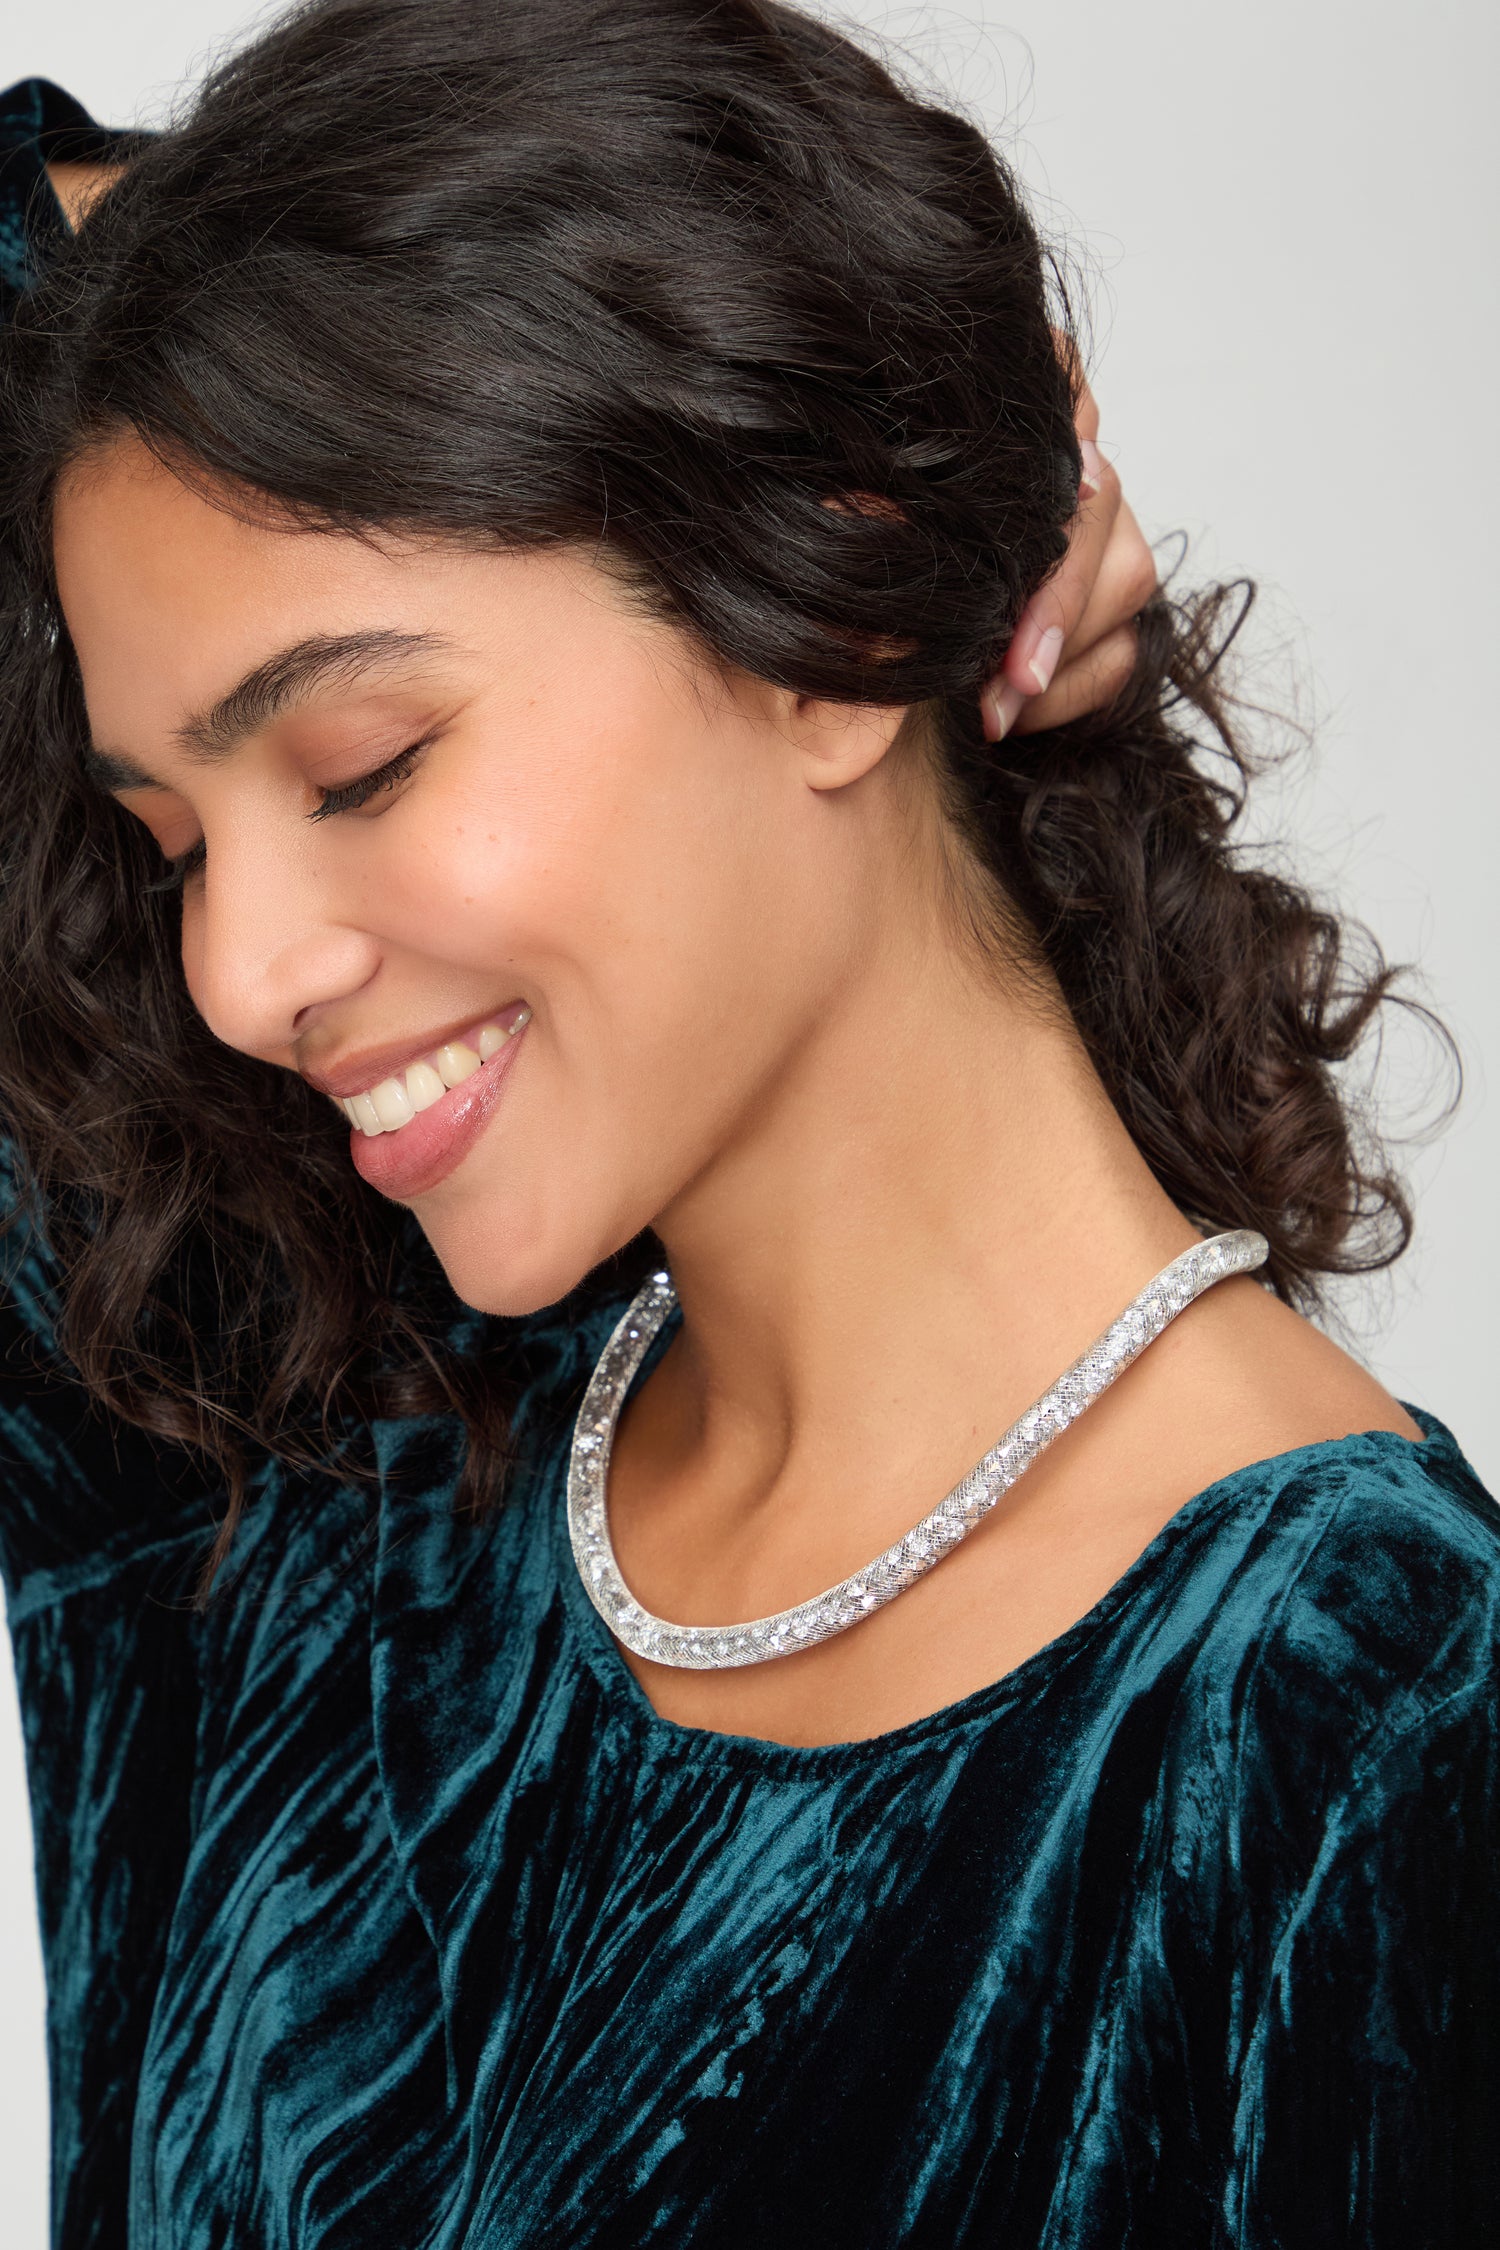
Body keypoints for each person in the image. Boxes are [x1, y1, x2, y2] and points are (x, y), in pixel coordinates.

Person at [0, 2, 1494, 2244]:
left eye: (357, 767)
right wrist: (220, 270)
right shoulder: (292, 1443)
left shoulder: (1361, 1760)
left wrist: (905, 479)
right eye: (178, 840)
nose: (235, 974)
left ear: (811, 621)